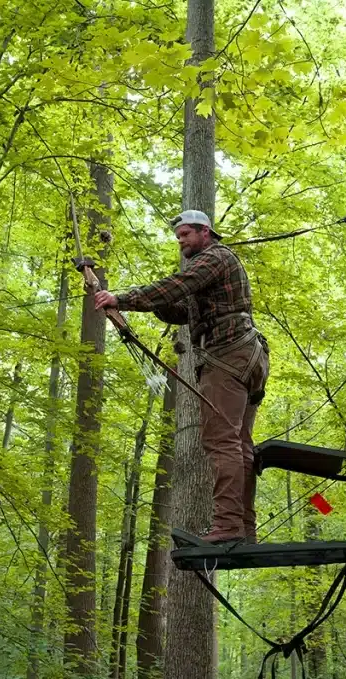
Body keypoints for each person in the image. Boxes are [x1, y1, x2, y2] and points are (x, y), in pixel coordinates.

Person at [94, 210, 269, 544]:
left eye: (186, 234)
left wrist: (121, 299)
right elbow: (181, 309)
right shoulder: (210, 268)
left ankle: (230, 525)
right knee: (240, 446)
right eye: (178, 237)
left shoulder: (215, 257)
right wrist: (153, 302)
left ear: (205, 232)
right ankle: (244, 529)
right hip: (247, 356)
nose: (181, 241)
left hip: (229, 355)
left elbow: (179, 285)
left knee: (223, 442)